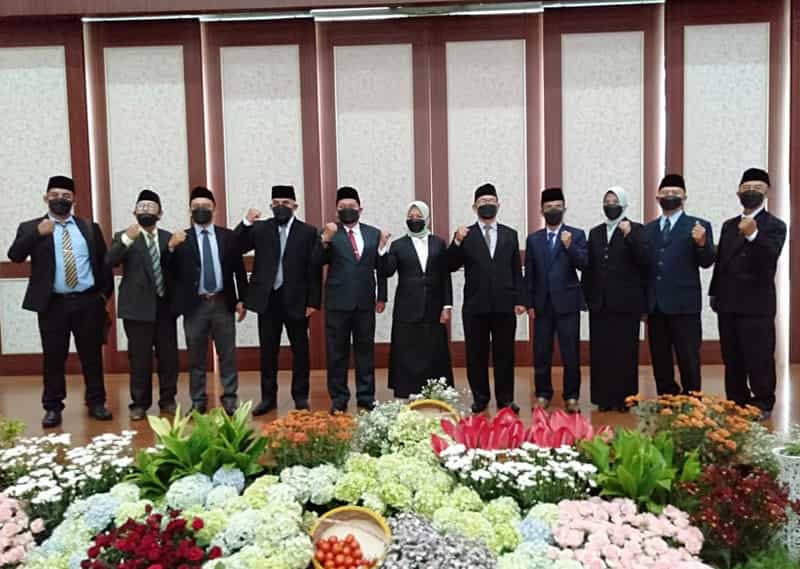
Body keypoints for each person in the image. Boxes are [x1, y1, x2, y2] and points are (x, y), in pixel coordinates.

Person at [7, 175, 113, 428]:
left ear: (74, 199)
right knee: (54, 357)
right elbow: (15, 255)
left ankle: (97, 402)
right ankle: (53, 407)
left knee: (92, 356)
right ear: (46, 198)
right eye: (54, 195)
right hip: (53, 304)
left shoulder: (89, 228)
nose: (60, 199)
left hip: (87, 302)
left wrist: (102, 297)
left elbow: (104, 264)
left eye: (66, 196)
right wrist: (37, 234)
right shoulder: (31, 227)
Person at [234, 185, 321, 416]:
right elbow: (235, 246)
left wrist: (313, 301)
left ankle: (300, 397)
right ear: (271, 206)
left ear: (295, 206)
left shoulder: (308, 232)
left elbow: (313, 269)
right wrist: (246, 222)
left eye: (285, 203)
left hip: (297, 299)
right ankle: (268, 398)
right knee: (268, 351)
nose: (280, 206)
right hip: (267, 299)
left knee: (300, 351)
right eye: (276, 203)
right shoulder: (260, 228)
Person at [710, 168, 786, 421]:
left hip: (757, 304)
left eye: (757, 188)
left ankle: (763, 402)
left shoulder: (775, 225)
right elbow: (721, 262)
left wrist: (754, 234)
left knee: (759, 356)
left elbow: (769, 259)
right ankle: (736, 400)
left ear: (767, 193)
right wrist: (714, 293)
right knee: (732, 357)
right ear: (738, 193)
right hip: (727, 302)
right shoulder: (728, 225)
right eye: (746, 188)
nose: (751, 192)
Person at [168, 186, 248, 415]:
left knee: (227, 355)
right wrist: (171, 248)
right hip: (195, 306)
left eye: (205, 206)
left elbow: (239, 270)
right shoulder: (181, 238)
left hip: (223, 303)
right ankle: (198, 401)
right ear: (189, 211)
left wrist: (242, 300)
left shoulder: (228, 236)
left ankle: (230, 398)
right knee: (196, 357)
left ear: (215, 209)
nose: (201, 210)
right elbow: (169, 272)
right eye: (196, 207)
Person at [449, 183, 526, 414]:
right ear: (474, 207)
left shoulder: (510, 234)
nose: (487, 205)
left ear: (498, 205)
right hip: (475, 305)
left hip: (504, 304)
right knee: (476, 354)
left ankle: (506, 399)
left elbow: (516, 270)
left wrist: (520, 299)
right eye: (482, 202)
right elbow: (450, 264)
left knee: (505, 354)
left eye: (491, 201)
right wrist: (456, 241)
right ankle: (480, 398)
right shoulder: (466, 234)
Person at [316, 186, 389, 413]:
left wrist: (382, 296)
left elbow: (381, 269)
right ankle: (339, 398)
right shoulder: (329, 232)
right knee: (337, 353)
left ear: (360, 209)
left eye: (352, 206)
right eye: (343, 207)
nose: (347, 210)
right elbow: (315, 261)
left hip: (365, 301)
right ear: (336, 210)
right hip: (337, 302)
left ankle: (366, 397)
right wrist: (324, 240)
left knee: (365, 351)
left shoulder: (373, 233)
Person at [106, 189, 178, 421]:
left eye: (150, 207)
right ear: (134, 212)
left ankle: (168, 400)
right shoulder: (123, 236)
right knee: (139, 359)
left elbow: (177, 270)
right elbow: (109, 261)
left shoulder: (168, 238)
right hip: (136, 309)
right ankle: (139, 403)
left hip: (165, 307)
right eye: (141, 207)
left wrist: (173, 249)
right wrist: (126, 240)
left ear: (160, 213)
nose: (146, 210)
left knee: (168, 358)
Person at [645, 174, 715, 395]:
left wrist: (702, 243)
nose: (670, 196)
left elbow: (706, 262)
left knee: (688, 355)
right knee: (660, 356)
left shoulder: (699, 226)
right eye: (665, 193)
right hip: (656, 305)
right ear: (657, 197)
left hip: (685, 304)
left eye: (675, 193)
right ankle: (667, 398)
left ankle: (692, 399)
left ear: (684, 197)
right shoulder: (648, 229)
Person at [582, 187, 649, 412]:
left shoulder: (636, 229)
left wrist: (630, 236)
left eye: (615, 201)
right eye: (607, 201)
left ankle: (625, 399)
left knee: (625, 353)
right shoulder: (595, 232)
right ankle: (603, 398)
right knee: (601, 353)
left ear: (624, 204)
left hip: (626, 304)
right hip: (599, 303)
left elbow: (644, 261)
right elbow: (589, 267)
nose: (611, 205)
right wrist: (586, 297)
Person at [524, 187, 587, 414]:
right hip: (542, 305)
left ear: (564, 209)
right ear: (542, 211)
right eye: (549, 207)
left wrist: (570, 246)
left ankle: (572, 396)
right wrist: (529, 303)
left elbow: (584, 264)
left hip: (568, 303)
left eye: (558, 207)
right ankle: (543, 394)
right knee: (541, 352)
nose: (553, 210)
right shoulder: (534, 239)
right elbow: (529, 274)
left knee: (571, 353)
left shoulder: (576, 235)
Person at [383, 201, 453, 398]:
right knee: (406, 351)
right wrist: (382, 248)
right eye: (411, 217)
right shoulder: (398, 245)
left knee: (433, 349)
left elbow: (444, 275)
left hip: (434, 305)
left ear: (427, 218)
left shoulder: (438, 243)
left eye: (418, 217)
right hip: (406, 307)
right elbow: (387, 270)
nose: (414, 220)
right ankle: (406, 390)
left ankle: (435, 391)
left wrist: (447, 305)